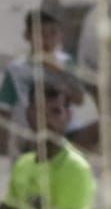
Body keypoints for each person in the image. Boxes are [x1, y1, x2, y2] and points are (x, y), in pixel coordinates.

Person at [0, 9, 99, 153]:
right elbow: (4, 110)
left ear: (60, 36)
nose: (46, 40)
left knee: (100, 129)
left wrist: (61, 75)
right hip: (31, 135)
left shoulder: (67, 63)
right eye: (40, 34)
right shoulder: (17, 69)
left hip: (65, 132)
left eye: (53, 33)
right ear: (27, 36)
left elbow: (79, 99)